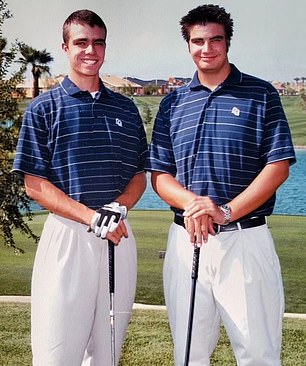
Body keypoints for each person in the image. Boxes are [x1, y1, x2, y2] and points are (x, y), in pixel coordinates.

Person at [146, 4, 296, 366]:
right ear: (187, 45)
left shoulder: (261, 95)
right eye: (198, 41)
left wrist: (225, 211)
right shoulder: (173, 102)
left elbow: (277, 167)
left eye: (216, 39)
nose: (206, 48)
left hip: (244, 239)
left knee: (258, 354)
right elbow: (160, 175)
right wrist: (196, 205)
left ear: (228, 42)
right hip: (186, 239)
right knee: (188, 354)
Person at [13, 9, 148, 366]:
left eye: (98, 42)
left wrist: (118, 207)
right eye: (81, 42)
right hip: (68, 238)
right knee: (56, 353)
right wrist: (91, 216)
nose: (91, 50)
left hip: (118, 233)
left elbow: (139, 175)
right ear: (65, 47)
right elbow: (35, 185)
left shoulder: (126, 108)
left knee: (108, 354)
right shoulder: (43, 109)